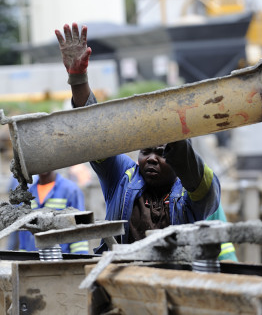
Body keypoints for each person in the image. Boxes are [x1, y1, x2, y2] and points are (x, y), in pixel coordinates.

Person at [54, 22, 237, 261]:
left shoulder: (193, 192)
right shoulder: (122, 176)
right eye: (146, 151)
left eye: (162, 153)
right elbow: (94, 134)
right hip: (120, 281)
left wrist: (174, 129)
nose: (151, 158)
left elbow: (197, 176)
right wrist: (78, 79)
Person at [18, 170, 89, 254]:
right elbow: (23, 235)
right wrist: (22, 258)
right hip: (32, 260)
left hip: (61, 261)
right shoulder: (28, 194)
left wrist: (79, 260)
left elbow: (80, 229)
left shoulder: (70, 191)